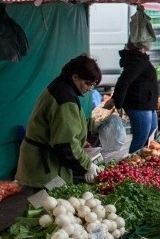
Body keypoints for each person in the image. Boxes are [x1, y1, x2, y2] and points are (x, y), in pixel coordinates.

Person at [15, 55, 103, 188]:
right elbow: (65, 144)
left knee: (48, 203)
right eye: (87, 83)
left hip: (45, 160)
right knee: (47, 203)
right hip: (45, 164)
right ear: (75, 77)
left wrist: (83, 137)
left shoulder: (61, 86)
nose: (89, 89)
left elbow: (65, 128)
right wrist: (87, 165)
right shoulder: (64, 97)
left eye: (92, 85)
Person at [103, 41, 159, 154]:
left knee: (151, 133)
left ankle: (143, 162)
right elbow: (124, 81)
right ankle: (133, 163)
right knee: (141, 138)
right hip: (139, 105)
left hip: (146, 104)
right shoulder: (137, 61)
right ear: (141, 44)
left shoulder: (140, 59)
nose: (151, 42)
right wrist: (116, 101)